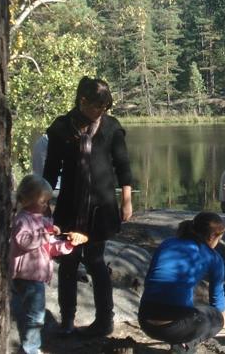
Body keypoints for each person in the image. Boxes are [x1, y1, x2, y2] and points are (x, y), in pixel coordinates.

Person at [43, 76, 134, 337]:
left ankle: (104, 320)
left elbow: (123, 166)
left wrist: (126, 199)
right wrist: (44, 203)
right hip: (70, 206)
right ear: (82, 101)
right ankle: (68, 319)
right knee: (68, 262)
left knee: (95, 261)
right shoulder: (61, 127)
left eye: (105, 107)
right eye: (97, 106)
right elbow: (51, 168)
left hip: (101, 207)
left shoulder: (111, 128)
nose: (101, 112)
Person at [9, 175, 87, 354]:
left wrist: (68, 244)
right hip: (26, 276)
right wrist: (45, 233)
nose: (47, 206)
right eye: (43, 202)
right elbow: (25, 242)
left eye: (48, 202)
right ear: (28, 199)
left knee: (34, 314)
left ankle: (30, 346)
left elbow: (50, 248)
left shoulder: (41, 222)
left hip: (37, 277)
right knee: (35, 315)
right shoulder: (22, 220)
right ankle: (30, 349)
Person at [139, 212, 225, 354]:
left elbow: (151, 279)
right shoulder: (214, 258)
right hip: (174, 326)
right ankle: (184, 348)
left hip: (145, 320)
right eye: (219, 239)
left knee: (194, 307)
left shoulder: (168, 243)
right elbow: (217, 299)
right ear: (212, 237)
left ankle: (179, 343)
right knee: (215, 317)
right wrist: (223, 319)